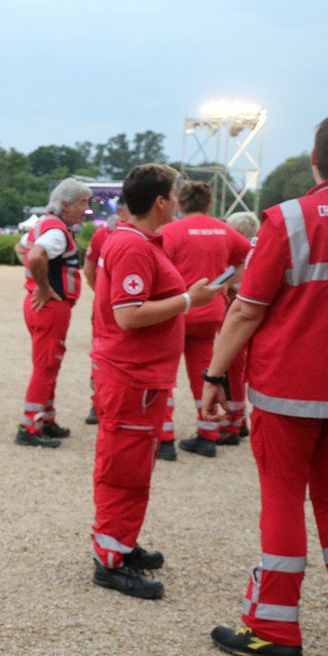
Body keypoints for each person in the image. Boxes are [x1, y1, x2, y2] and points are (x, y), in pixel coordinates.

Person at [206, 114, 328, 656]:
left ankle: (273, 628)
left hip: (290, 390)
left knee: (283, 497)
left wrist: (215, 375)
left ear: (314, 159)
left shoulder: (289, 219)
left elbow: (245, 309)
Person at [88, 163, 223, 599]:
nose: (180, 200)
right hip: (132, 375)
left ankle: (121, 544)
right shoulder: (133, 245)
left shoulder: (138, 240)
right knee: (123, 468)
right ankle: (110, 560)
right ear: (161, 202)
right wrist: (189, 300)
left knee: (132, 465)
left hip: (139, 376)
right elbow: (128, 315)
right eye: (175, 192)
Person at [155, 181, 250, 460]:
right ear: (209, 203)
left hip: (178, 311)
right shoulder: (224, 229)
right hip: (211, 313)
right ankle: (208, 434)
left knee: (165, 376)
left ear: (179, 203)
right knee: (206, 374)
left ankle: (165, 438)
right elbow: (249, 257)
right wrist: (224, 284)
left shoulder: (170, 231)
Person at [13, 178, 91, 448]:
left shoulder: (44, 223)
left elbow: (21, 247)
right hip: (51, 306)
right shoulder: (58, 231)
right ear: (65, 204)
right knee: (45, 367)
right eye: (83, 203)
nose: (86, 209)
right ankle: (30, 427)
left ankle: (45, 418)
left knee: (48, 365)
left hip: (38, 305)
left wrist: (37, 282)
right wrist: (44, 286)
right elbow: (35, 256)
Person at [82, 197, 128, 425]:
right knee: (102, 356)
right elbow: (88, 270)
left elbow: (88, 269)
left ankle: (108, 404)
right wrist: (104, 295)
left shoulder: (105, 235)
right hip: (111, 309)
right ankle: (97, 402)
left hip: (117, 309)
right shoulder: (102, 234)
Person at [218, 210, 261, 443]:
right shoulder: (259, 252)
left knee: (233, 366)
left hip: (237, 310)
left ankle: (233, 422)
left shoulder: (243, 259)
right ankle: (240, 419)